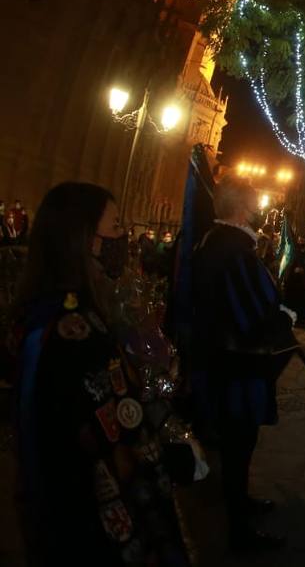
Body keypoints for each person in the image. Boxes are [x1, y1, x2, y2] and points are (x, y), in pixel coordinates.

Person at [7, 182, 190, 564]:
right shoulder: (71, 324)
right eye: (116, 225)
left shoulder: (62, 308)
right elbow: (100, 410)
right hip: (90, 501)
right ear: (85, 238)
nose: (122, 237)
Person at [187, 179, 295, 552]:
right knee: (238, 441)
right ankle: (238, 529)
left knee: (239, 442)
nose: (258, 208)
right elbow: (251, 310)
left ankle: (241, 500)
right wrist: (282, 320)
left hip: (225, 358)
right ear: (240, 208)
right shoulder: (232, 249)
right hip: (236, 363)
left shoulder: (218, 243)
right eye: (253, 202)